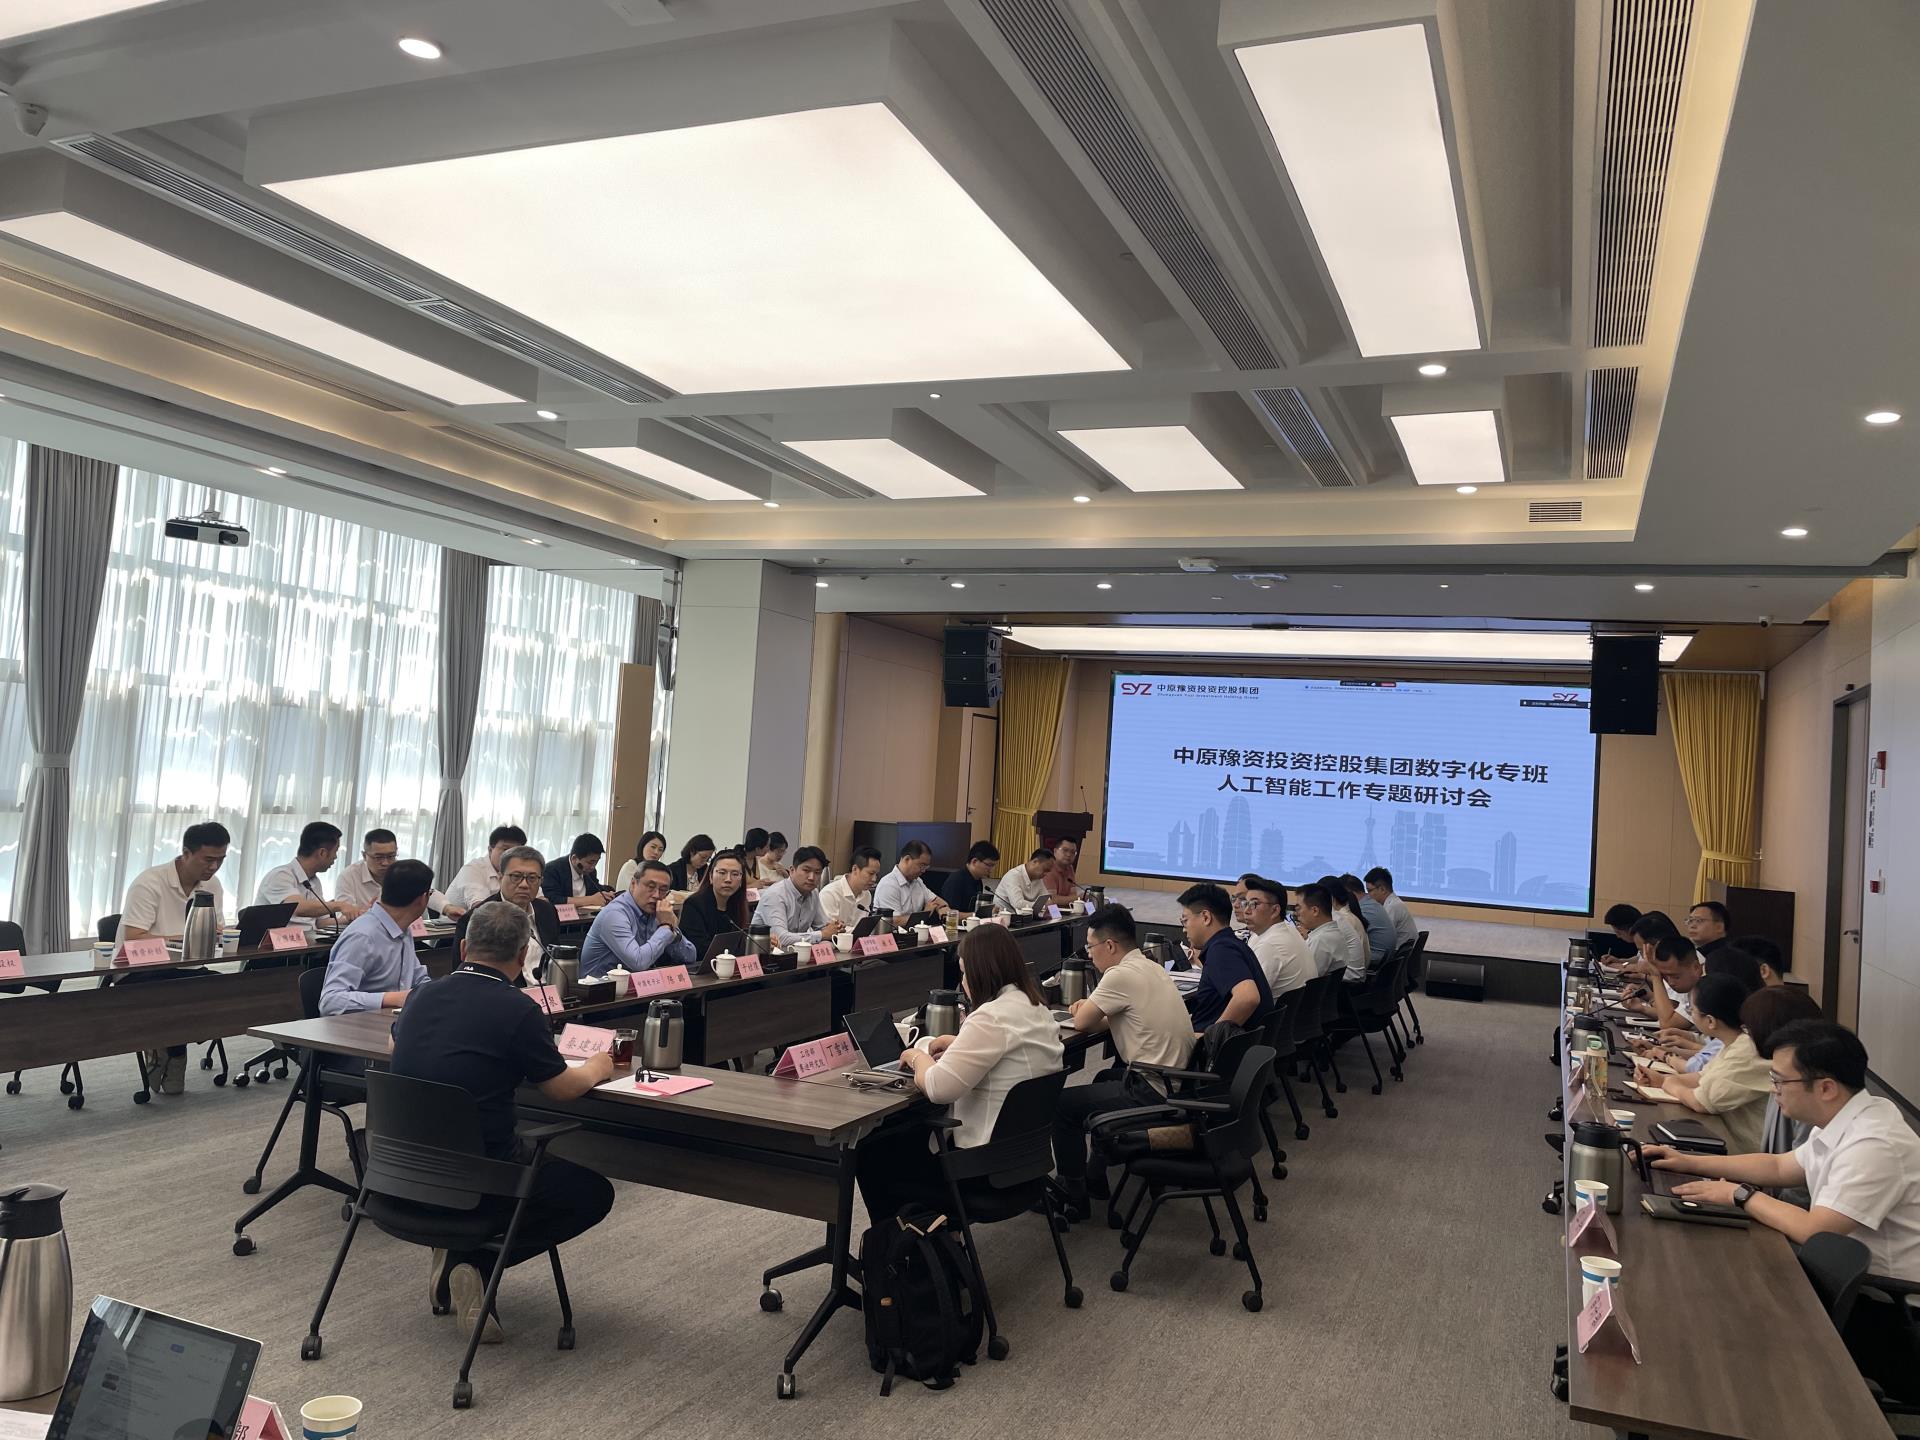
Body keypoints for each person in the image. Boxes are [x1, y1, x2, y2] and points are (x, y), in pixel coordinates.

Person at [390, 902, 617, 1342]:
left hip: (402, 1170)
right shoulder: (518, 1008)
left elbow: (398, 1044)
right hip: (481, 1175)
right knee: (591, 1193)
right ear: (521, 956)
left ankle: (458, 1255)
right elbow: (562, 1089)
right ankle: (475, 1262)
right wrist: (598, 1066)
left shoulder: (421, 995)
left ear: (462, 948)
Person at [1647, 1020, 1920, 1281]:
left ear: (1826, 1088)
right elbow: (1778, 1166)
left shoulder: (1874, 1144)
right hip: (1841, 1271)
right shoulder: (1842, 1116)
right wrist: (1689, 1161)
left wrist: (1739, 1194)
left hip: (1880, 1296)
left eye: (1780, 1081)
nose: (1772, 1089)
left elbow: (1817, 1232)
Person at [857, 924, 1063, 1222]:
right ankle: (934, 1237)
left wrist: (916, 1056)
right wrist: (959, 1044)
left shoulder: (990, 1017)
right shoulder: (1035, 1006)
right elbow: (1012, 1050)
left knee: (872, 1149)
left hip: (983, 1170)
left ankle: (905, 1246)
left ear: (981, 973)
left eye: (965, 973)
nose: (963, 982)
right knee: (906, 1136)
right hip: (1027, 1161)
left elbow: (938, 1087)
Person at [1056, 903, 1195, 1215]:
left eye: (1090, 947)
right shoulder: (1150, 966)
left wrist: (1083, 1007)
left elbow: (1082, 1023)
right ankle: (1095, 1177)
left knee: (1062, 1106)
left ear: (1109, 945)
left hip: (1152, 1089)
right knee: (1105, 1078)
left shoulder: (1119, 975)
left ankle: (1073, 1194)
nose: (1089, 955)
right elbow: (1118, 1017)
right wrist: (1095, 1010)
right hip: (1177, 1083)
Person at [116, 820, 231, 1096]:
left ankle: (169, 1047)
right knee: (178, 992)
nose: (214, 867)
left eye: (221, 860)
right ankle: (171, 1050)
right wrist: (184, 938)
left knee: (224, 989)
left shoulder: (212, 885)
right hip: (140, 970)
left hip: (186, 967)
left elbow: (217, 928)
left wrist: (217, 934)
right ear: (186, 853)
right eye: (208, 859)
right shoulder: (149, 882)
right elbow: (134, 937)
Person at [318, 859, 436, 1073]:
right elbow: (330, 1001)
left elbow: (419, 980)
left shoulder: (403, 929)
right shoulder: (363, 936)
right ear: (423, 899)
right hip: (355, 1045)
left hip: (393, 1032)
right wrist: (391, 998)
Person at [1653, 971, 1770, 1151]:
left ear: (1710, 1021)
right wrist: (1662, 1079)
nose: (1691, 1015)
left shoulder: (1747, 1051)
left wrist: (1669, 1083)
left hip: (1744, 1153)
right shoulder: (1735, 1042)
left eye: (1692, 1010)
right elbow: (1702, 1077)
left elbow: (1701, 1102)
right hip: (1725, 1138)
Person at [1742, 984, 1824, 1206]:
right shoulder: (1785, 1074)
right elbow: (1778, 1166)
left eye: (1749, 1029)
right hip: (1774, 1197)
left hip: (1792, 1211)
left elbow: (1800, 1187)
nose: (1747, 1036)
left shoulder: (1805, 1087)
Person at [1178, 882, 1271, 1033]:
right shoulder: (1231, 944)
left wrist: (1211, 1037)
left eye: (1185, 920)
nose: (1184, 929)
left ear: (1206, 917)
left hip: (1208, 1045)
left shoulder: (1221, 949)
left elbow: (1248, 998)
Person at [453, 846, 559, 977]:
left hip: (549, 987)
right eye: (516, 876)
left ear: (541, 881)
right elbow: (463, 973)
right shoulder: (477, 918)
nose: (524, 885)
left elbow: (555, 958)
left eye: (532, 878)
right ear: (500, 877)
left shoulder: (547, 911)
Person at [579, 859, 695, 977]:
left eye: (663, 890)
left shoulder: (659, 913)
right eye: (650, 887)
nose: (656, 895)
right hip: (602, 986)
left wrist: (673, 933)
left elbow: (690, 956)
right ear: (633, 884)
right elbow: (639, 963)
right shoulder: (614, 914)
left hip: (639, 984)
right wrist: (665, 927)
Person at [254, 821, 360, 931]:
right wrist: (340, 905)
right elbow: (298, 907)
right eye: (335, 851)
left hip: (307, 939)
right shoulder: (280, 876)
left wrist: (354, 917)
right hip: (276, 941)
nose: (335, 857)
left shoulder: (314, 881)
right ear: (322, 853)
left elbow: (319, 922)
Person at [335, 828, 459, 917]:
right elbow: (347, 914)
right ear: (364, 855)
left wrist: (447, 908)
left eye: (391, 856)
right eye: (378, 857)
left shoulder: (402, 871)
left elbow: (427, 892)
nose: (385, 863)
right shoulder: (349, 876)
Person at [750, 847, 842, 947]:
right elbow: (781, 938)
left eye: (817, 872)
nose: (811, 877)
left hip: (795, 953)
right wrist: (822, 935)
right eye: (806, 870)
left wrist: (835, 928)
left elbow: (822, 928)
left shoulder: (813, 893)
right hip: (764, 953)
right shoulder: (775, 895)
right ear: (792, 870)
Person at [1242, 875, 1313, 998]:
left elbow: (1248, 998)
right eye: (1245, 903)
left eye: (1254, 904)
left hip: (1274, 1010)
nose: (1246, 911)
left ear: (1275, 910)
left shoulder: (1270, 945)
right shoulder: (1288, 930)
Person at [678, 848, 751, 962]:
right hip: (701, 966)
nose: (728, 879)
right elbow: (699, 949)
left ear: (741, 880)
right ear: (711, 877)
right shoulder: (694, 905)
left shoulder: (738, 904)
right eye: (722, 873)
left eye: (735, 874)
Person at [446, 825, 527, 912]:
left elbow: (535, 900)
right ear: (490, 850)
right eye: (505, 850)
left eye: (516, 851)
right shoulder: (473, 869)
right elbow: (480, 907)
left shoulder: (521, 871)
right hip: (461, 920)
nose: (511, 856)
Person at [540, 833, 614, 911]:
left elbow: (595, 889)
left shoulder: (590, 872)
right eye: (590, 862)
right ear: (574, 858)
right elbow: (552, 899)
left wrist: (607, 894)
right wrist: (590, 900)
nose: (593, 867)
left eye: (596, 862)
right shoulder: (552, 869)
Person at [873, 840, 946, 919]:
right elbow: (893, 921)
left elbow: (936, 901)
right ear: (907, 859)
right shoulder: (888, 885)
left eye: (926, 867)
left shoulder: (918, 881)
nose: (923, 871)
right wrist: (924, 914)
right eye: (921, 865)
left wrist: (943, 908)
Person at [819, 845, 881, 930]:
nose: (874, 879)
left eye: (876, 875)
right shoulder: (830, 893)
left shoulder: (867, 895)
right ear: (855, 869)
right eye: (871, 874)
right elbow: (830, 929)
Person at [1295, 884, 1350, 980]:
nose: (1296, 913)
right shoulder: (1333, 933)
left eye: (1298, 908)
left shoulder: (1321, 940)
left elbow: (1304, 979)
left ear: (1315, 911)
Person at [1343, 872, 1394, 963]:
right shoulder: (1371, 903)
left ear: (1349, 894)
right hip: (1384, 959)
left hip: (1376, 961)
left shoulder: (1364, 910)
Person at [1364, 867, 1419, 951]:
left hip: (1397, 954)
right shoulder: (1392, 903)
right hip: (1401, 952)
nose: (1368, 895)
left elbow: (1381, 935)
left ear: (1382, 889)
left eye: (1369, 890)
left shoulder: (1393, 906)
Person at [939, 840, 1000, 912]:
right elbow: (949, 913)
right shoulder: (956, 880)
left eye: (993, 866)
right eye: (989, 865)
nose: (991, 870)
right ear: (974, 861)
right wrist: (979, 914)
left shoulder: (978, 880)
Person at [993, 848, 1055, 916]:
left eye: (1048, 871)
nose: (1046, 874)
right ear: (1035, 861)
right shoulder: (1013, 875)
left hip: (1025, 917)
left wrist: (1056, 915)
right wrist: (1043, 906)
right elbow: (1018, 904)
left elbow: (1047, 900)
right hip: (1004, 917)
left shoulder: (1038, 878)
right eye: (1045, 870)